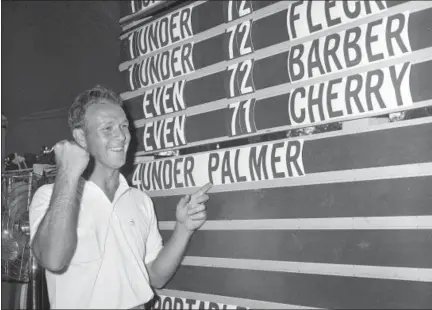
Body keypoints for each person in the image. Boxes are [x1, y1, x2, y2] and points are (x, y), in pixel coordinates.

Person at [29, 86, 212, 309]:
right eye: (107, 128)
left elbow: (155, 277)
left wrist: (184, 228)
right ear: (81, 137)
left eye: (124, 126)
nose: (121, 135)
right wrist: (67, 174)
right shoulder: (50, 197)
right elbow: (53, 260)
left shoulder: (139, 200)